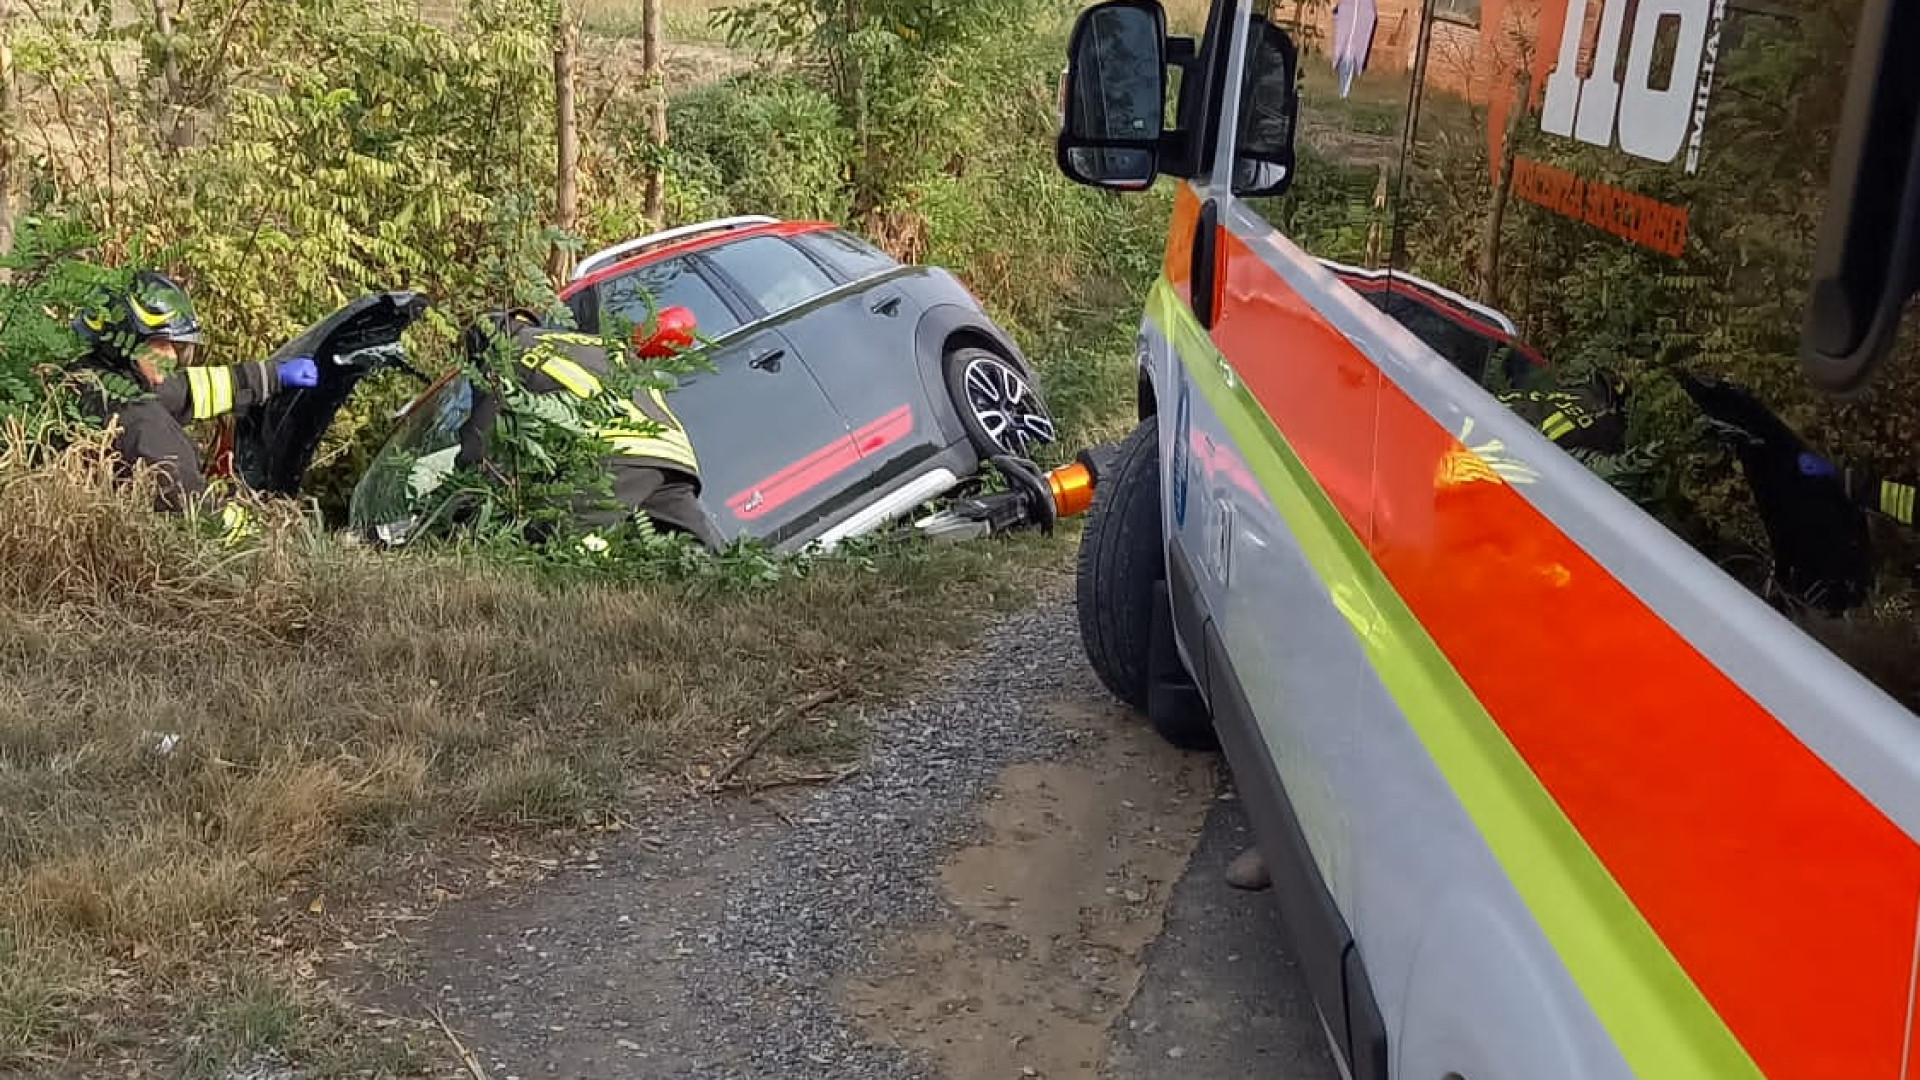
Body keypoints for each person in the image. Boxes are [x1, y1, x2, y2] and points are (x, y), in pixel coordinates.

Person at [454, 309, 723, 550]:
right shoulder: (586, 342)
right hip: (672, 450)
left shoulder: (503, 354)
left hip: (614, 451)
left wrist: (460, 508)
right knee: (703, 559)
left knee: (548, 545)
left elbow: (480, 444)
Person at [69, 270, 319, 516]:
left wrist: (271, 375)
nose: (172, 358)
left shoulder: (97, 378)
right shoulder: (139, 422)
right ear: (124, 342)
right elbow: (195, 509)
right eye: (163, 344)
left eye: (178, 348)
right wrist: (259, 536)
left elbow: (190, 390)